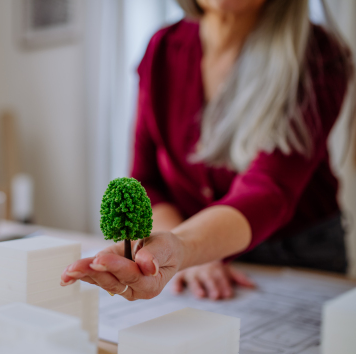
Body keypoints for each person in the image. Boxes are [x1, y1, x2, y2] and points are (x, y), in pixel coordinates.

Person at [61, 0, 353, 301]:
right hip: (191, 253)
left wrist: (185, 248)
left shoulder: (317, 55)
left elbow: (268, 190)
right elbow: (146, 179)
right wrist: (177, 247)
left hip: (296, 255)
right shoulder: (161, 48)